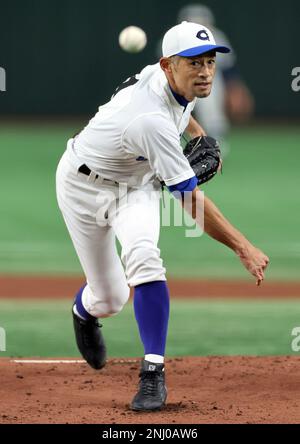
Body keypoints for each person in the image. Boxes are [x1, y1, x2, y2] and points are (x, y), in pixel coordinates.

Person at [56, 21, 269, 412]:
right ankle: (84, 310)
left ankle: (153, 374)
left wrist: (198, 135)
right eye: (194, 63)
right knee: (111, 297)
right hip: (82, 187)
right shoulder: (149, 121)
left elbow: (181, 108)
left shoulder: (174, 79)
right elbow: (189, 201)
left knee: (144, 257)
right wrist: (243, 247)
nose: (205, 72)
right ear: (168, 65)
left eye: (209, 62)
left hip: (134, 187)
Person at [176, 4, 254, 154]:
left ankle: (216, 148)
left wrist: (236, 90)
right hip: (180, 78)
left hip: (209, 77)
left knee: (212, 114)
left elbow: (228, 68)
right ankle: (171, 147)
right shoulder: (174, 37)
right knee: (173, 112)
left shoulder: (215, 37)